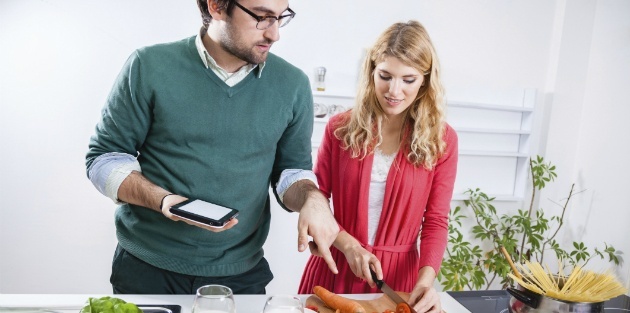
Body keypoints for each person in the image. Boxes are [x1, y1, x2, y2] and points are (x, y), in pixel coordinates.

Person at [85, 0, 339, 294]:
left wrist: (314, 200)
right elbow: (104, 159)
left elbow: (290, 172)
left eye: (281, 18)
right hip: (146, 269)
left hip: (241, 275)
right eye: (262, 17)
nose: (274, 34)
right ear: (216, 6)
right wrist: (163, 200)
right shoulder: (148, 65)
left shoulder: (293, 84)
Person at [298, 20, 458, 313]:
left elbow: (435, 220)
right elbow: (315, 199)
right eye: (385, 75)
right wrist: (348, 246)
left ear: (424, 80)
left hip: (398, 284)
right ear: (371, 70)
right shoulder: (340, 128)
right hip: (333, 273)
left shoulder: (442, 140)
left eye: (408, 80)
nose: (394, 90)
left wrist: (425, 282)